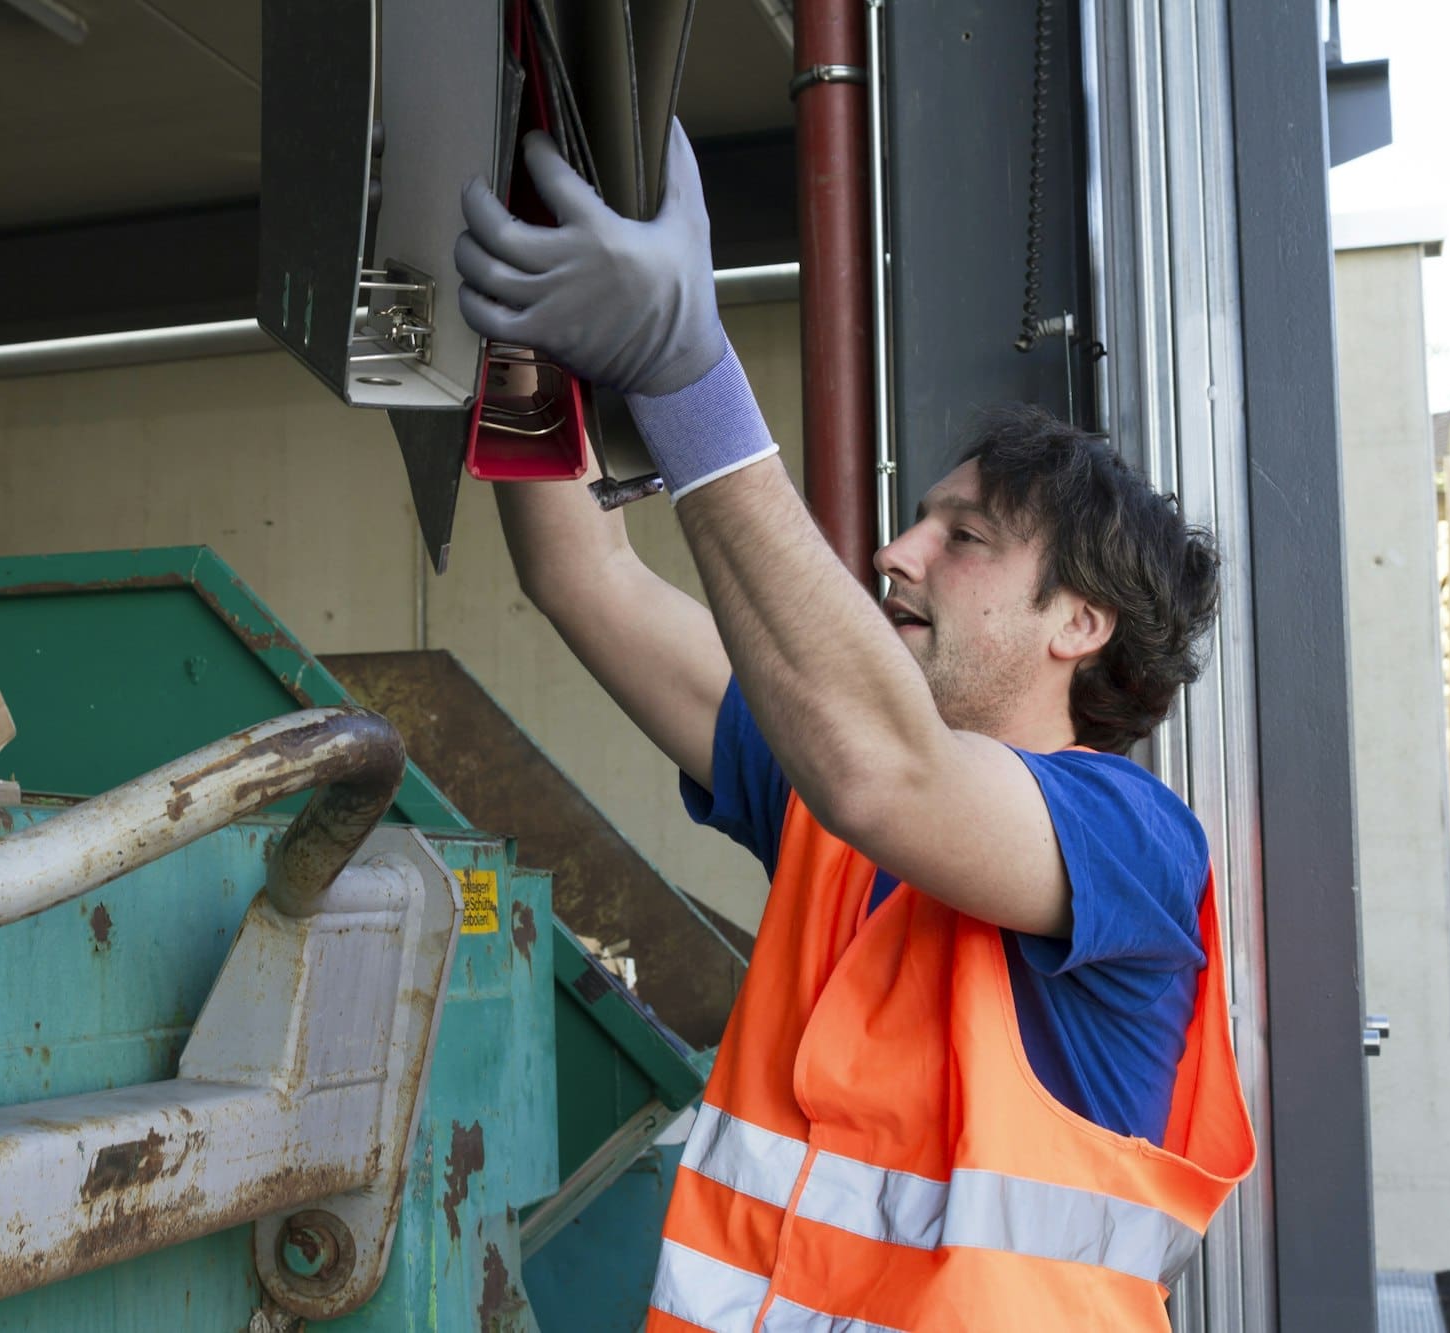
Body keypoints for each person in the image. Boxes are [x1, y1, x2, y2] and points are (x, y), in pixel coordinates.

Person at [456, 123, 1256, 1331]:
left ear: (1079, 624)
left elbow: (887, 774)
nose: (895, 551)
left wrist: (685, 372)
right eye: (916, 519)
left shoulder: (1130, 841)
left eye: (963, 536)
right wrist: (527, 379)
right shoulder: (834, 808)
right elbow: (589, 582)